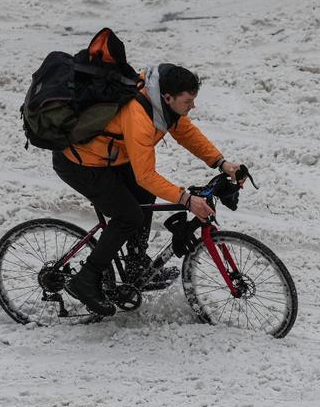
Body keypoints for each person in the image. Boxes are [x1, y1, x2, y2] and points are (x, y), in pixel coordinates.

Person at [53, 62, 244, 316]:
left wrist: (222, 163)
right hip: (80, 162)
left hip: (110, 157)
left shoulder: (161, 103)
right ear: (168, 97)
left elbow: (185, 132)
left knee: (143, 196)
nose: (193, 106)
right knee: (128, 215)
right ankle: (86, 279)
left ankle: (135, 263)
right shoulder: (139, 116)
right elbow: (145, 174)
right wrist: (186, 199)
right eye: (188, 101)